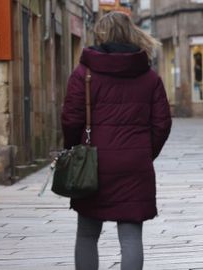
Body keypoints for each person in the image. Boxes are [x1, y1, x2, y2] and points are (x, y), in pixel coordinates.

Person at [61, 11, 172, 270]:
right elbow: (162, 123)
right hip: (135, 165)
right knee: (131, 237)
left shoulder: (84, 73)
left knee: (87, 234)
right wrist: (145, 152)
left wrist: (74, 149)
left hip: (94, 163)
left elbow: (70, 118)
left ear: (100, 33)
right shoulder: (149, 76)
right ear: (132, 33)